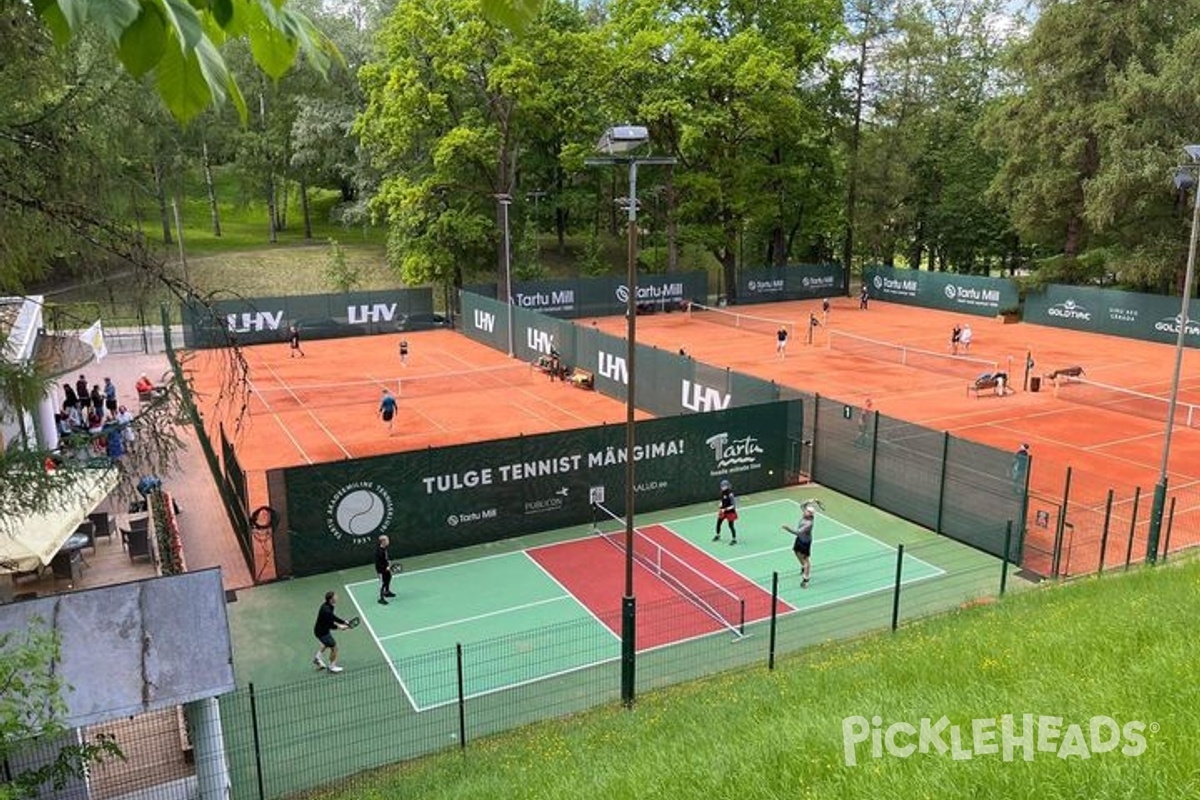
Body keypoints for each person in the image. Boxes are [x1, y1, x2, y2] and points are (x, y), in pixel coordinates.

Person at [781, 503, 818, 588]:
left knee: (805, 559)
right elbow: (802, 505)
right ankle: (803, 567)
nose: (805, 512)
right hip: (800, 539)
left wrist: (787, 528)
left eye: (807, 511)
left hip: (805, 542)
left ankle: (806, 579)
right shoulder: (806, 516)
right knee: (796, 552)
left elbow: (797, 532)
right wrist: (810, 500)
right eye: (806, 511)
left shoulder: (809, 524)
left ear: (810, 514)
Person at [312, 590, 350, 673]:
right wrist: (340, 627)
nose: (337, 597)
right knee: (334, 647)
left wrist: (343, 622)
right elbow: (330, 624)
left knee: (326, 644)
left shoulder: (328, 606)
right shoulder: (326, 610)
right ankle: (332, 667)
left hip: (321, 629)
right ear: (331, 599)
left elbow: (333, 617)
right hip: (322, 632)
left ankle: (317, 658)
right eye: (335, 596)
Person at [713, 479, 739, 545]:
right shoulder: (722, 492)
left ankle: (734, 539)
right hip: (723, 511)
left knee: (731, 526)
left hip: (730, 512)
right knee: (718, 523)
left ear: (727, 486)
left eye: (723, 486)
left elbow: (733, 505)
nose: (722, 487)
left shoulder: (730, 494)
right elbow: (723, 500)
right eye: (721, 486)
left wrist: (726, 509)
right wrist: (720, 504)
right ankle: (718, 535)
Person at [375, 535, 397, 605]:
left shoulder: (384, 549)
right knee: (382, 583)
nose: (388, 541)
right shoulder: (379, 551)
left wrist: (388, 563)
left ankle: (387, 592)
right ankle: (381, 598)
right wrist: (385, 568)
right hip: (381, 570)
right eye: (387, 540)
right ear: (383, 541)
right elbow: (378, 563)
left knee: (389, 578)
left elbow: (385, 558)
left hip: (386, 568)